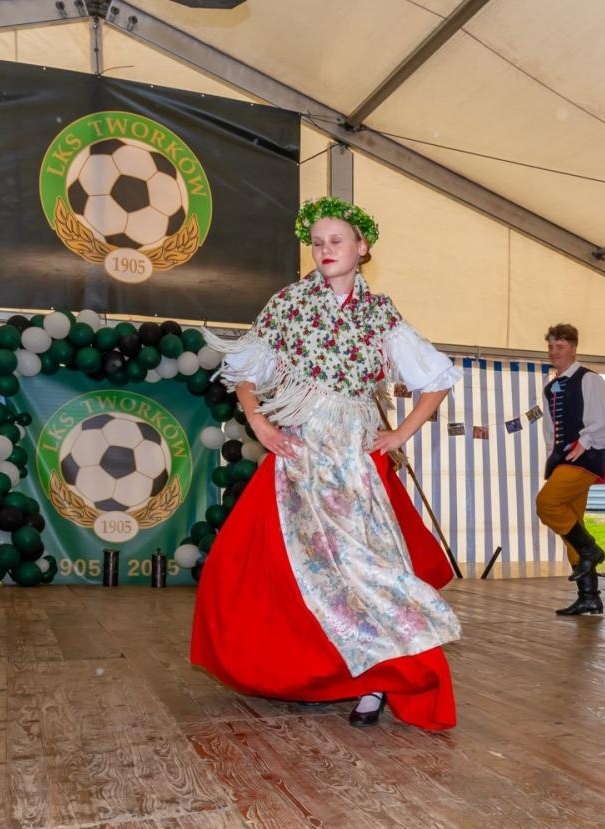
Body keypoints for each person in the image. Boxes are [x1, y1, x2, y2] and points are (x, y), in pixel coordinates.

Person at [191, 197, 462, 730]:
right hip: (300, 460)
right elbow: (244, 371)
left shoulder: (379, 314)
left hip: (355, 464)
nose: (324, 250)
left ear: (362, 248)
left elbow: (436, 381)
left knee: (369, 571)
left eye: (336, 240)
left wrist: (398, 433)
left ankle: (379, 680)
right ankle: (319, 673)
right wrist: (261, 425)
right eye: (316, 242)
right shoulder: (289, 304)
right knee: (292, 575)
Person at [535, 323, 605, 617]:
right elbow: (551, 430)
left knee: (546, 504)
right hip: (563, 460)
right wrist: (552, 457)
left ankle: (591, 550)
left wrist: (585, 441)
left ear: (573, 348)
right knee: (571, 525)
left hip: (585, 460)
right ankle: (589, 596)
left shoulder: (589, 379)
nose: (554, 352)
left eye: (559, 347)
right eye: (550, 346)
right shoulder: (550, 387)